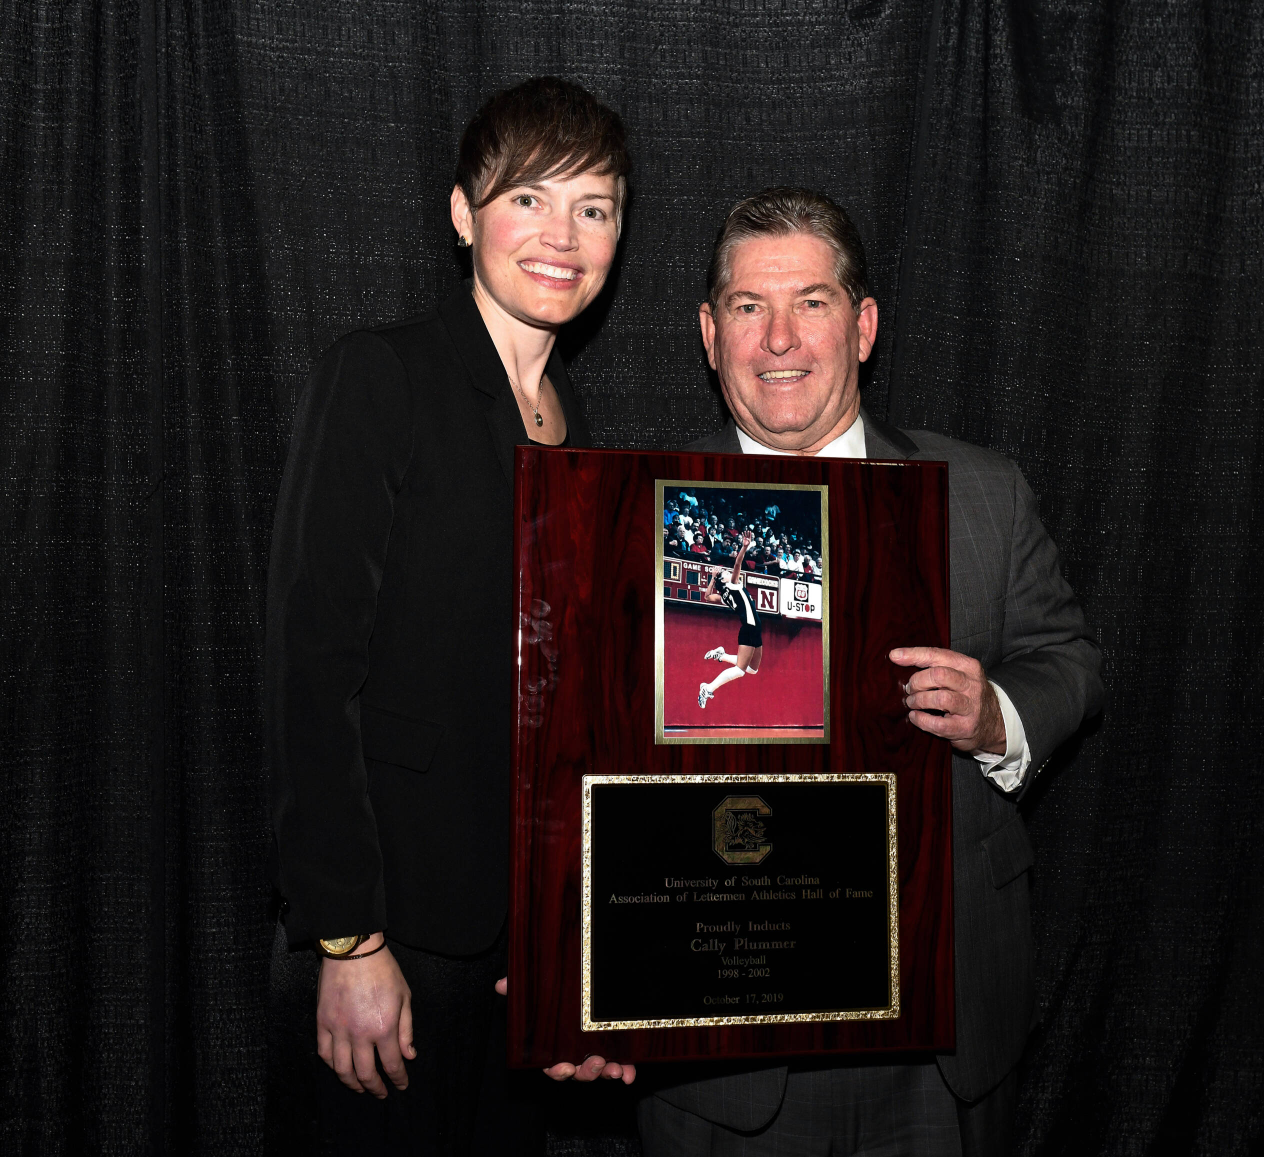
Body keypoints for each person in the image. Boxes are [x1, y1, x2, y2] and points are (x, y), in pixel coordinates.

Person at [637, 188, 1105, 1157]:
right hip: (720, 1042)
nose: (778, 339)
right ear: (709, 333)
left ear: (862, 326)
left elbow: (1067, 659)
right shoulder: (628, 512)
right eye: (747, 306)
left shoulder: (981, 491)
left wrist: (996, 715)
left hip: (940, 1023)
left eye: (810, 302)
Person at [265, 77, 636, 1155]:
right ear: (464, 215)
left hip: (522, 948)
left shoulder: (579, 427)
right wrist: (348, 937)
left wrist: (574, 939)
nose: (562, 236)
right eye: (529, 199)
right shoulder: (382, 375)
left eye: (594, 208)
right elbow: (308, 670)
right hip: (393, 934)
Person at [698, 532, 763, 707]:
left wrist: (713, 578)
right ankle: (708, 688)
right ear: (725, 580)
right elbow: (737, 563)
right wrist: (744, 547)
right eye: (726, 573)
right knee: (740, 671)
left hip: (755, 628)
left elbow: (707, 597)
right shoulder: (733, 585)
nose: (729, 573)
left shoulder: (724, 596)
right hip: (749, 628)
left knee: (752, 669)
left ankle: (722, 655)